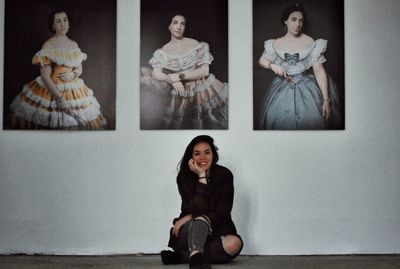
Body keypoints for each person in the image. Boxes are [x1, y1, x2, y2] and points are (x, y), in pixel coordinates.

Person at [8, 10, 106, 129]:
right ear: (53, 26)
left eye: (65, 20)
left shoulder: (74, 44)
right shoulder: (48, 45)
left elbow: (79, 68)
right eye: (58, 21)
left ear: (69, 23)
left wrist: (73, 74)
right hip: (52, 89)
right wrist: (60, 99)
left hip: (73, 89)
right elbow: (45, 76)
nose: (62, 24)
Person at [161, 135, 243, 269]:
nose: (203, 157)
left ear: (213, 154)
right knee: (200, 220)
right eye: (197, 154)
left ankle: (184, 256)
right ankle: (196, 255)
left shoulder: (225, 175)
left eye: (207, 152)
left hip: (217, 229)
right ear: (191, 156)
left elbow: (223, 213)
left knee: (234, 244)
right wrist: (202, 176)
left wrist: (188, 216)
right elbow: (197, 209)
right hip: (189, 230)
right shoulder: (184, 177)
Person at [257, 3, 342, 130]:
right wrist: (272, 65)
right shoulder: (275, 43)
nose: (298, 24)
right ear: (285, 21)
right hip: (282, 87)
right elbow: (262, 60)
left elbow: (319, 71)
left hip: (308, 88)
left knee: (314, 119)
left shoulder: (311, 42)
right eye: (293, 19)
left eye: (301, 21)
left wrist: (326, 100)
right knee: (275, 118)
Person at [140, 14, 228, 129]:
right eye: (175, 23)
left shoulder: (195, 44)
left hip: (202, 90)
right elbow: (155, 73)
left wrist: (178, 76)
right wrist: (171, 80)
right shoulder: (162, 51)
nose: (179, 27)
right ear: (169, 26)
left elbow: (204, 71)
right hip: (178, 94)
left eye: (182, 24)